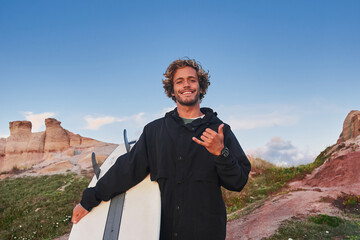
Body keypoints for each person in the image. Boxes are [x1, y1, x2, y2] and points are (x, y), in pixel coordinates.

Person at [72, 58, 251, 240]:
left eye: (192, 80)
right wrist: (89, 200)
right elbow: (128, 169)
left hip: (207, 232)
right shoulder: (155, 131)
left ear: (201, 87)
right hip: (163, 232)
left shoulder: (219, 130)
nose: (186, 85)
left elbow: (238, 182)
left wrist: (222, 153)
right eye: (179, 81)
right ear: (172, 91)